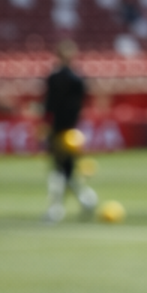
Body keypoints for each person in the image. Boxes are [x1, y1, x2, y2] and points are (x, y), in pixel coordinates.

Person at [43, 42, 98, 223]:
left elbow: (48, 107)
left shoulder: (55, 78)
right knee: (67, 170)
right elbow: (82, 104)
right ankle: (85, 200)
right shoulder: (78, 79)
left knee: (60, 170)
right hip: (72, 131)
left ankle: (59, 208)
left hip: (60, 130)